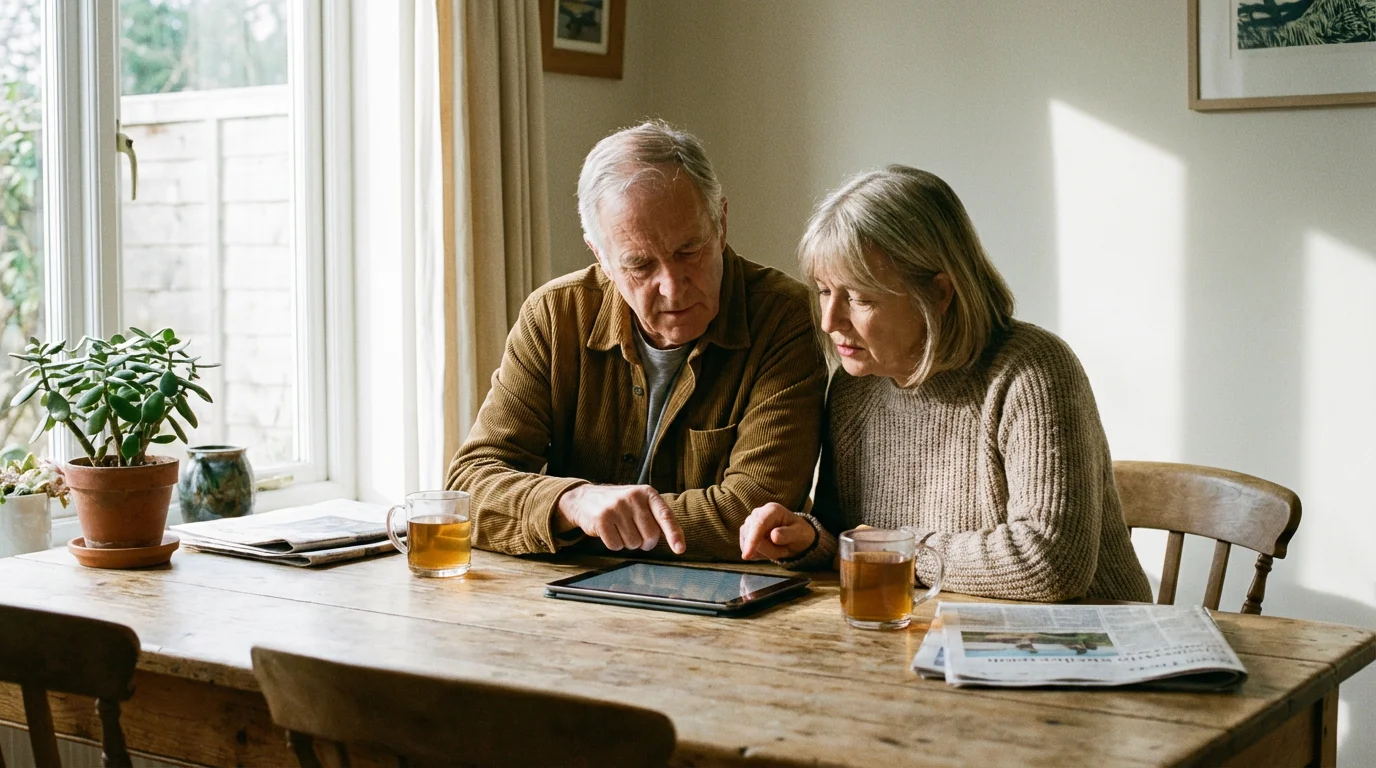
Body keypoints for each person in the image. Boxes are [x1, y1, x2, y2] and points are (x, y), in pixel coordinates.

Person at [738, 165, 1152, 602]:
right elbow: (853, 537)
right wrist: (809, 538)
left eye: (859, 297)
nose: (829, 320)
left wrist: (897, 550)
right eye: (824, 291)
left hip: (1090, 646)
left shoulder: (1031, 372)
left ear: (938, 293)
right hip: (936, 637)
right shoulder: (854, 387)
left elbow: (1049, 562)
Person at [447, 120, 825, 559]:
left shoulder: (784, 318)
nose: (672, 287)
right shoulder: (554, 316)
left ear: (720, 223)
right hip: (565, 600)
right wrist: (575, 501)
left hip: (726, 603)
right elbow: (469, 486)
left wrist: (576, 519)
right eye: (640, 265)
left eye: (689, 251)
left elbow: (753, 512)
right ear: (601, 257)